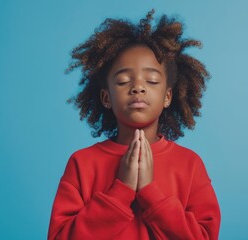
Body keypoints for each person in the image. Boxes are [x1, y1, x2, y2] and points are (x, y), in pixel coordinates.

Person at [48, 9, 221, 240]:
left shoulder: (190, 165)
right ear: (106, 97)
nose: (138, 87)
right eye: (123, 81)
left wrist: (151, 193)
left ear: (168, 96)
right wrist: (121, 191)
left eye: (151, 80)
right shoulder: (81, 164)